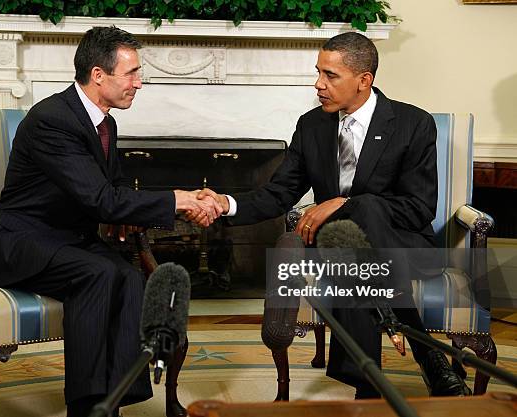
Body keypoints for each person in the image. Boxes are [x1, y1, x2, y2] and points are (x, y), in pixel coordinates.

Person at [198, 32, 471, 399]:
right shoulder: (312, 126)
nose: (318, 85)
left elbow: (419, 208)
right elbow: (279, 193)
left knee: (366, 214)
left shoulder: (412, 124)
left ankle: (369, 380)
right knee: (347, 248)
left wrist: (345, 203)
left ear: (364, 80)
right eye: (318, 73)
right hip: (335, 248)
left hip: (405, 247)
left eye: (330, 76)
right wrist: (225, 204)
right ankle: (423, 359)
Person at [0, 26, 222, 417]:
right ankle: (86, 407)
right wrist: (179, 201)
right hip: (19, 243)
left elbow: (115, 187)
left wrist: (141, 209)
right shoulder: (52, 119)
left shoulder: (105, 122)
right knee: (101, 273)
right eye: (132, 73)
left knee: (131, 276)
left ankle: (115, 397)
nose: (139, 83)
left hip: (68, 240)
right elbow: (101, 198)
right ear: (99, 75)